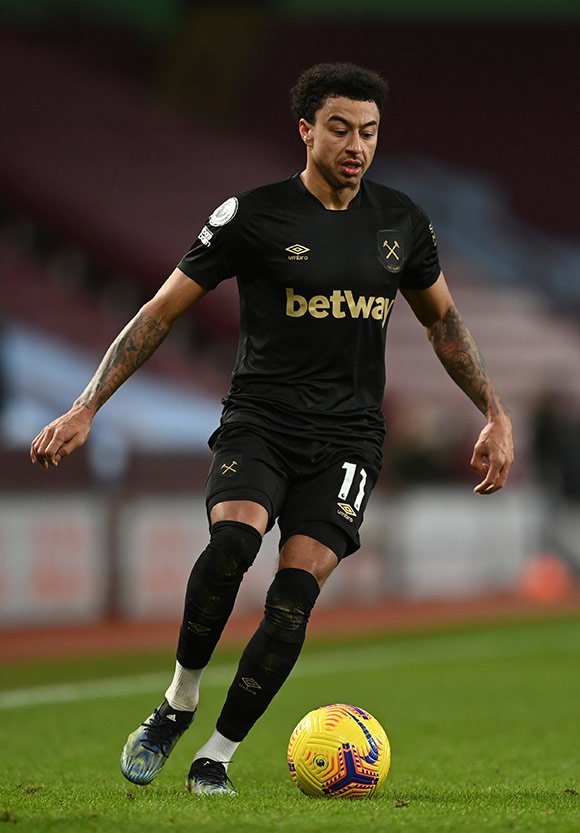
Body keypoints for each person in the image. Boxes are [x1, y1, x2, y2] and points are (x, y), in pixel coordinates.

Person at [30, 62, 514, 796]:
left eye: (370, 132)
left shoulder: (402, 224)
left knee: (293, 594)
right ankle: (177, 702)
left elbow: (442, 321)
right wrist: (86, 403)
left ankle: (216, 755)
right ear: (306, 130)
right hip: (260, 420)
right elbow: (160, 311)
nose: (357, 145)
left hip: (350, 438)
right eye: (342, 129)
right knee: (232, 543)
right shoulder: (250, 216)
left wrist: (494, 410)